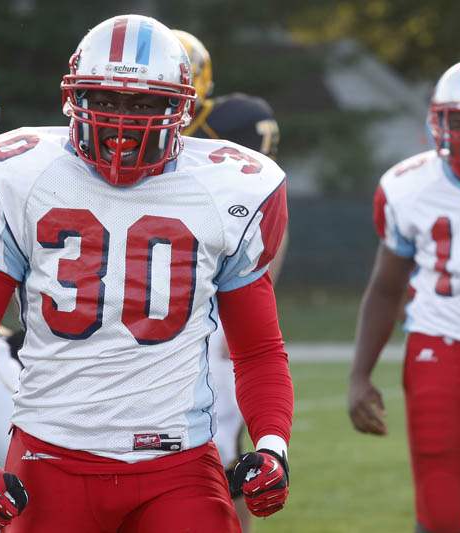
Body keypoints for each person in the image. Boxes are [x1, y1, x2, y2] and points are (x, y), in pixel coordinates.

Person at [0, 14, 293, 532]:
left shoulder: (231, 187)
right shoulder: (19, 176)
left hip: (178, 461)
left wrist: (272, 445)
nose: (122, 120)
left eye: (143, 103)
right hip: (50, 454)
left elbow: (257, 349)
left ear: (179, 108)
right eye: (105, 99)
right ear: (74, 98)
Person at [348, 58, 460, 533]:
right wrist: (360, 375)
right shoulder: (406, 185)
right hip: (439, 352)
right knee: (441, 508)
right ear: (437, 119)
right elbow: (385, 287)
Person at [174, 28, 287, 533]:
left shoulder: (233, 124)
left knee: (221, 450)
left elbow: (265, 218)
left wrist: (245, 301)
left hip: (212, 301)